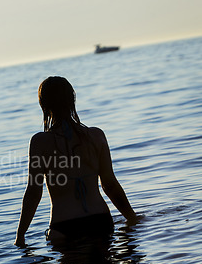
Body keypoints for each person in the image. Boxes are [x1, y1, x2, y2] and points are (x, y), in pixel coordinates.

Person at [15, 76, 138, 247]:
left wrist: (20, 236)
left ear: (44, 105)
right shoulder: (96, 136)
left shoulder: (40, 142)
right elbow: (109, 184)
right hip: (100, 221)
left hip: (65, 226)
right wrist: (131, 216)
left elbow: (34, 191)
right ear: (72, 100)